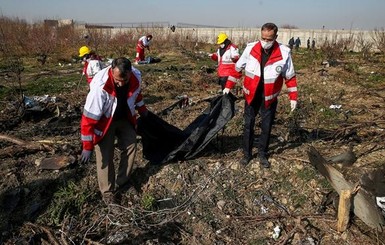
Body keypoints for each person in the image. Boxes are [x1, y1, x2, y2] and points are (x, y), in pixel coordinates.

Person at [226, 22, 298, 168]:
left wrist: (293, 97)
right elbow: (237, 68)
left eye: (269, 39)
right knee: (248, 125)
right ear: (261, 35)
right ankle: (247, 154)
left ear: (275, 37)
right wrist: (228, 86)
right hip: (251, 95)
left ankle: (262, 154)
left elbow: (290, 77)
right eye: (263, 38)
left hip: (269, 97)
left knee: (266, 127)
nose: (265, 42)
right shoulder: (251, 49)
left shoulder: (284, 53)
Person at [80, 57, 148, 205]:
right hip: (105, 121)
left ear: (130, 73)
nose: (121, 83)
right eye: (118, 80)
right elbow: (88, 119)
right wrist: (87, 146)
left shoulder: (136, 77)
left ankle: (123, 182)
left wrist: (143, 110)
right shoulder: (100, 87)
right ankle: (107, 191)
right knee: (105, 154)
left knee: (131, 145)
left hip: (124, 117)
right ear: (111, 70)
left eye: (125, 80)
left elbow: (137, 95)